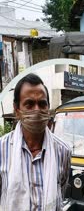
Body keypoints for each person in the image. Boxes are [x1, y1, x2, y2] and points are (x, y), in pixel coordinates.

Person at [0, 73, 71, 210]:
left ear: (48, 108)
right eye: (29, 104)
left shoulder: (63, 151)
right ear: (17, 110)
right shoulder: (2, 149)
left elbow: (60, 193)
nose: (37, 110)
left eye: (42, 104)